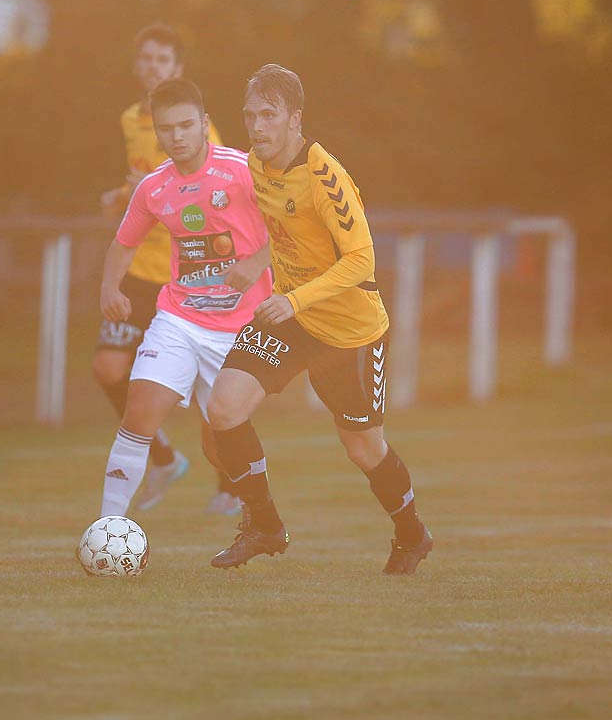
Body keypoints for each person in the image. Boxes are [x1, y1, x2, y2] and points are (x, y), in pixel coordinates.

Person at [203, 64, 434, 574]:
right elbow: (284, 231)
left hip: (350, 333)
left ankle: (412, 535)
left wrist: (295, 299)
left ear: (294, 118)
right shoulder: (255, 165)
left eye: (269, 114)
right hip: (292, 319)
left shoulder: (325, 174)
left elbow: (361, 260)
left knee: (363, 449)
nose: (257, 125)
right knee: (224, 409)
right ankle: (265, 526)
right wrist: (257, 264)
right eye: (250, 115)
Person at [96, 78, 271, 522]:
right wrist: (110, 288)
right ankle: (109, 527)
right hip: (179, 318)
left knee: (220, 439)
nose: (177, 136)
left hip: (240, 328)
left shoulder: (244, 169)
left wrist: (255, 264)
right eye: (167, 128)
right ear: (157, 132)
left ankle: (258, 513)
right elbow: (124, 242)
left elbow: (296, 228)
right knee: (140, 411)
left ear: (205, 124)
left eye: (186, 125)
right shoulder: (154, 187)